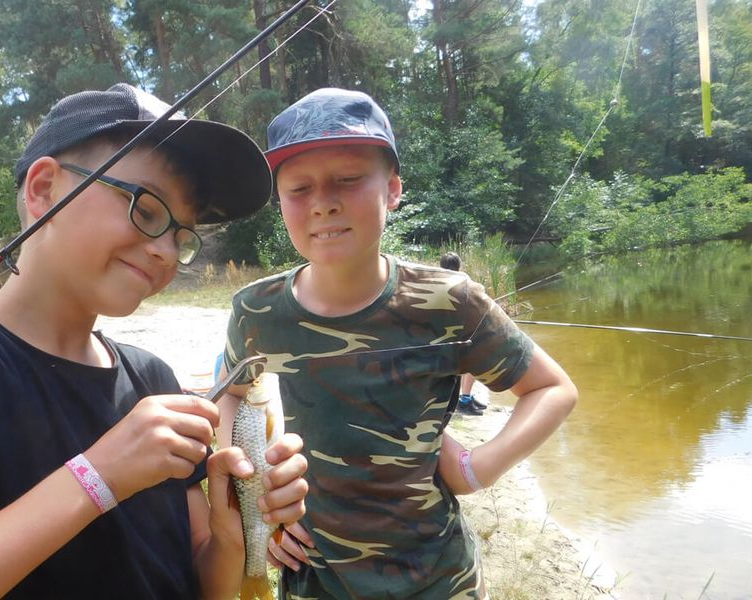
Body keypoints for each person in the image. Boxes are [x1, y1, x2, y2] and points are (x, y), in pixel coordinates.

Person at [0, 83, 309, 599]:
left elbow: (204, 585)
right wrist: (97, 476)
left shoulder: (152, 379)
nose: (166, 251)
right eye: (146, 210)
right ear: (44, 190)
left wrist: (231, 537)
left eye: (182, 236)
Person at [215, 88, 577, 599]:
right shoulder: (256, 311)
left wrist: (477, 469)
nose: (323, 202)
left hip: (437, 578)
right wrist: (259, 505)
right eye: (299, 188)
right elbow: (231, 397)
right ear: (281, 202)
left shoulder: (449, 301)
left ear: (392, 191)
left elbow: (552, 389)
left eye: (348, 179)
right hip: (316, 577)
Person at [439, 251, 488, 416]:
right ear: (459, 265)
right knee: (472, 360)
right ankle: (465, 399)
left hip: (441, 333)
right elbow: (479, 298)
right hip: (459, 332)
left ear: (441, 265)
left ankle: (463, 398)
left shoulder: (434, 279)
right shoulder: (464, 279)